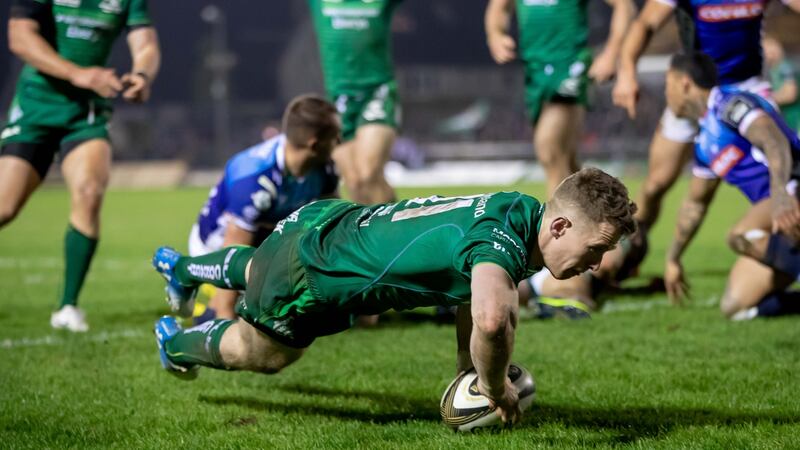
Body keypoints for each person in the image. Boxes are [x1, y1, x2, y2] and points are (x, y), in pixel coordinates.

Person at [151, 168, 637, 425]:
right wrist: (492, 387)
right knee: (264, 353)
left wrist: (467, 370)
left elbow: (476, 296)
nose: (596, 264)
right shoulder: (500, 243)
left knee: (260, 263)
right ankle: (174, 344)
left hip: (330, 224)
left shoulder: (521, 213)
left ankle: (182, 268)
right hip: (315, 274)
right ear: (560, 225)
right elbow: (492, 319)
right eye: (596, 249)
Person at [0, 0, 160, 331]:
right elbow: (20, 37)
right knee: (4, 208)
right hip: (36, 107)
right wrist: (78, 74)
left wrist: (143, 75)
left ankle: (67, 308)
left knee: (89, 192)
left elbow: (145, 44)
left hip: (86, 113)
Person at [612, 0, 800, 247]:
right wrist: (626, 73)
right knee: (657, 182)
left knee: (784, 172)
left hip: (749, 88)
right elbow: (645, 23)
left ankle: (783, 248)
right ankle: (630, 247)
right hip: (695, 91)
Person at [660, 52, 800, 320]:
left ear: (684, 83)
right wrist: (673, 258)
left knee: (740, 235)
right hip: (776, 220)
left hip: (793, 192)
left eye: (668, 85)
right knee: (735, 305)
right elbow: (695, 204)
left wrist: (781, 195)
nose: (667, 95)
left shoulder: (731, 104)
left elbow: (774, 141)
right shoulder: (703, 144)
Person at [184, 95, 340, 323]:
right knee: (262, 318)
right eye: (335, 136)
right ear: (314, 144)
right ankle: (208, 302)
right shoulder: (255, 175)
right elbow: (233, 247)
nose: (339, 141)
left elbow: (332, 223)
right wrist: (224, 316)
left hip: (270, 237)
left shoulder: (324, 169)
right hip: (218, 248)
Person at [485, 0, 635, 197]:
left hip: (570, 64)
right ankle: (598, 214)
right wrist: (495, 35)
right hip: (535, 70)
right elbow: (498, 9)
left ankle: (555, 223)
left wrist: (612, 53)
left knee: (549, 149)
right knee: (568, 161)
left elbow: (625, 6)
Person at [307, 0, 400, 206]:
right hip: (339, 99)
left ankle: (392, 229)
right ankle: (382, 227)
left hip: (377, 92)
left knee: (368, 173)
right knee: (355, 182)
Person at [763, 35, 800, 135]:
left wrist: (766, 100)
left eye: (772, 49)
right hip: (790, 120)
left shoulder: (785, 67)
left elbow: (790, 94)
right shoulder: (773, 70)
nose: (770, 53)